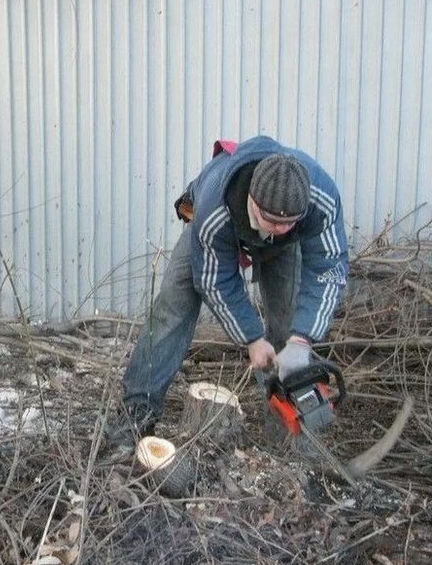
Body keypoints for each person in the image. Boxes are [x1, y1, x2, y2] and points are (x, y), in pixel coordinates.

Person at [109, 135, 348, 446]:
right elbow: (214, 280)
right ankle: (135, 417)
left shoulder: (320, 199)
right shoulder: (213, 209)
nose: (278, 227)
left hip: (285, 249)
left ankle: (290, 440)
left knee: (290, 327)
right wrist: (250, 337)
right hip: (219, 225)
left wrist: (302, 341)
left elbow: (329, 270)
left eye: (288, 223)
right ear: (252, 199)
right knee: (172, 307)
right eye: (271, 221)